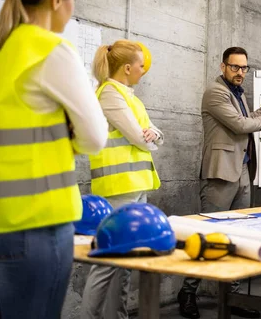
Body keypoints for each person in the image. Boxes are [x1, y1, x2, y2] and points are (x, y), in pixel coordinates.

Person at [0, 0, 108, 318]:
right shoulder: (52, 50)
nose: (72, 9)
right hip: (40, 225)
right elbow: (95, 138)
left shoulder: (4, 49)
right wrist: (70, 135)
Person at [177, 46, 261, 319]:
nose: (240, 73)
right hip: (220, 175)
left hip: (242, 174)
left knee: (238, 237)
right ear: (223, 66)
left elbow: (245, 118)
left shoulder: (238, 93)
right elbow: (239, 126)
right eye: (235, 67)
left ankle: (231, 296)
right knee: (207, 237)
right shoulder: (215, 93)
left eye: (244, 68)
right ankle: (188, 292)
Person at [81, 40, 164, 319]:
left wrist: (152, 136)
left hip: (135, 185)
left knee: (125, 259)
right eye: (141, 66)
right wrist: (150, 137)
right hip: (119, 188)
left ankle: (117, 316)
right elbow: (141, 137)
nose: (144, 70)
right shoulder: (109, 94)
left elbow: (155, 134)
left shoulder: (131, 97)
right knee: (107, 261)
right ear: (128, 68)